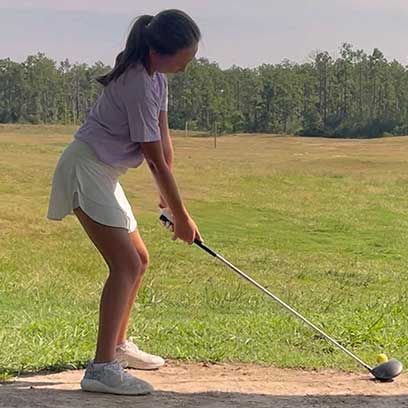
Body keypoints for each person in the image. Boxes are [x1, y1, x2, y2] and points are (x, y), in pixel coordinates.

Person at [47, 9, 202, 396]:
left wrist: (168, 202)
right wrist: (181, 219)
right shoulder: (136, 82)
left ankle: (117, 346)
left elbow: (163, 148)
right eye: (182, 59)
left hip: (104, 172)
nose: (185, 67)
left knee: (139, 260)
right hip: (86, 169)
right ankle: (101, 369)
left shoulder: (157, 79)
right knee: (125, 263)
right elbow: (151, 157)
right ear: (157, 53)